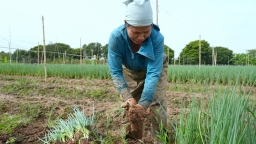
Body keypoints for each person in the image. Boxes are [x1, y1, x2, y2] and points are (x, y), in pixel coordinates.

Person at [107, 0, 168, 141]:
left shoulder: (157, 38)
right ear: (125, 24)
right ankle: (133, 140)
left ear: (151, 26)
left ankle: (160, 140)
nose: (141, 37)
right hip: (130, 70)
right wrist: (128, 97)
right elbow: (116, 71)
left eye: (146, 31)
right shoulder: (116, 37)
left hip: (155, 69)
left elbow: (153, 74)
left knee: (157, 104)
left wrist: (145, 102)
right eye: (135, 32)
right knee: (131, 106)